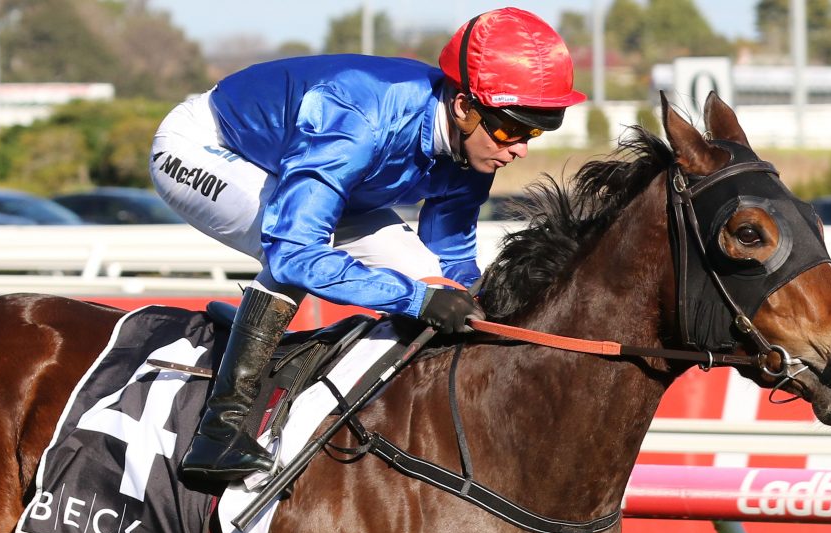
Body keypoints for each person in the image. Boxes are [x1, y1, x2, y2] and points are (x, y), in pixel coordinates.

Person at [149, 7, 586, 482]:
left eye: (534, 132)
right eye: (510, 129)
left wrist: (473, 307)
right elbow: (296, 254)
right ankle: (220, 430)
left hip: (309, 167)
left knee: (426, 274)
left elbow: (451, 257)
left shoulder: (474, 149)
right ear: (463, 106)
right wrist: (417, 300)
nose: (520, 148)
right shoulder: (359, 117)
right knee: (297, 249)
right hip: (207, 148)